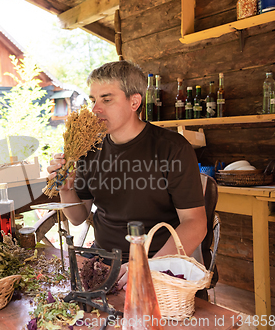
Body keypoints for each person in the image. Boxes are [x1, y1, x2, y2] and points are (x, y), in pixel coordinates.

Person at [47, 61, 207, 290]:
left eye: (106, 99)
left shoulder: (173, 148)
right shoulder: (90, 150)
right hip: (103, 267)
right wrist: (64, 186)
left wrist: (147, 267)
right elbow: (77, 216)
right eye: (93, 100)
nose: (95, 109)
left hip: (160, 267)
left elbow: (195, 223)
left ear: (135, 101)